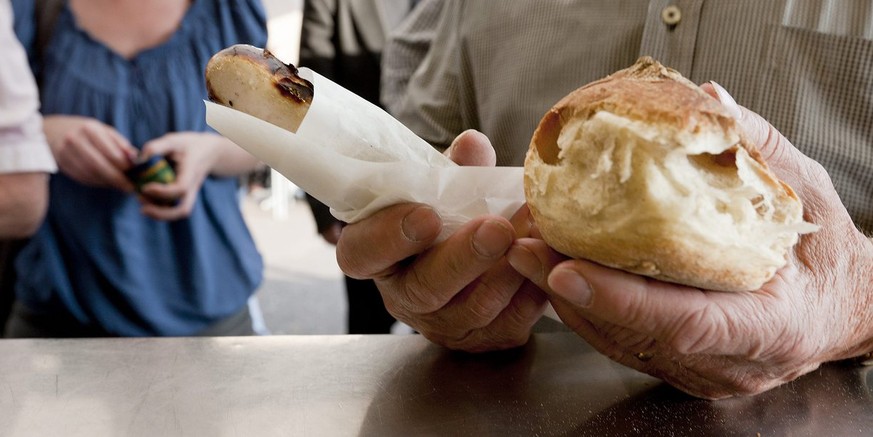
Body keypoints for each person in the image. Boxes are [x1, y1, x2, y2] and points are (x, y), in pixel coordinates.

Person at [335, 0, 873, 399]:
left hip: (829, 404)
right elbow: (430, 155)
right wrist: (429, 259)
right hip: (516, 394)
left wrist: (856, 306)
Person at [5, 0, 266, 337]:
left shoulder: (230, 8)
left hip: (210, 305)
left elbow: (264, 139)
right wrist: (44, 136)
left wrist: (210, 153)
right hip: (61, 307)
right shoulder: (30, 8)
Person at [298, 0, 418, 334]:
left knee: (441, 341)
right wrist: (323, 208)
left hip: (436, 186)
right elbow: (309, 99)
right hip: (364, 199)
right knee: (368, 332)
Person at [0, 0, 57, 336]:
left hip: (207, 290)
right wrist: (51, 133)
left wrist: (207, 152)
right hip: (49, 287)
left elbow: (23, 196)